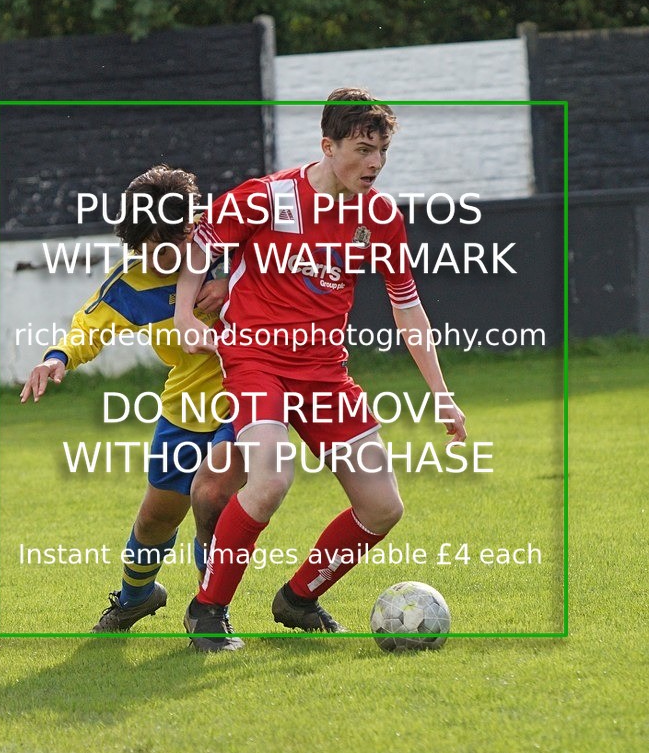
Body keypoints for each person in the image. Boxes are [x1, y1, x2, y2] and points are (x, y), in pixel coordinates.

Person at [174, 88, 467, 651]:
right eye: (363, 150)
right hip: (256, 359)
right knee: (270, 480)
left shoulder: (379, 217)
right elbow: (200, 246)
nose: (375, 163)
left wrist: (442, 393)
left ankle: (298, 598)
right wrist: (185, 314)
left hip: (325, 373)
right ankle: (208, 609)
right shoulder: (267, 197)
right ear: (328, 147)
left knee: (382, 507)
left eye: (382, 151)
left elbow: (407, 306)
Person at [20, 164, 245, 633]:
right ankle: (135, 598)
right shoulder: (130, 284)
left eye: (168, 243)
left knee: (214, 499)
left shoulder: (230, 249)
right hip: (185, 409)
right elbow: (88, 327)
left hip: (247, 400)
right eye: (146, 246)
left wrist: (232, 283)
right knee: (156, 519)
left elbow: (285, 266)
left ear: (190, 229)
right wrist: (58, 357)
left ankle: (210, 612)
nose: (157, 256)